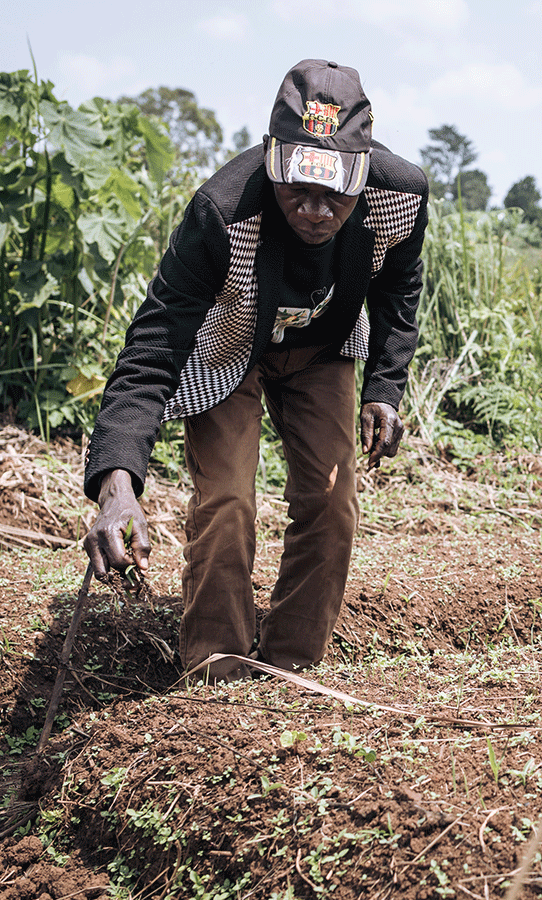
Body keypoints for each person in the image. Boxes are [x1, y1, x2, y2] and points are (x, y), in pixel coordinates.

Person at [82, 60, 429, 682]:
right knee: (227, 499)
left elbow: (399, 293)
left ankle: (293, 661)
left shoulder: (400, 195)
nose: (316, 210)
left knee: (332, 502)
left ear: (363, 170)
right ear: (272, 161)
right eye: (298, 187)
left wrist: (384, 386)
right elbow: (153, 345)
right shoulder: (223, 209)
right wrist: (117, 482)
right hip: (229, 341)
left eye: (335, 194)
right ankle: (218, 666)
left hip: (324, 344)